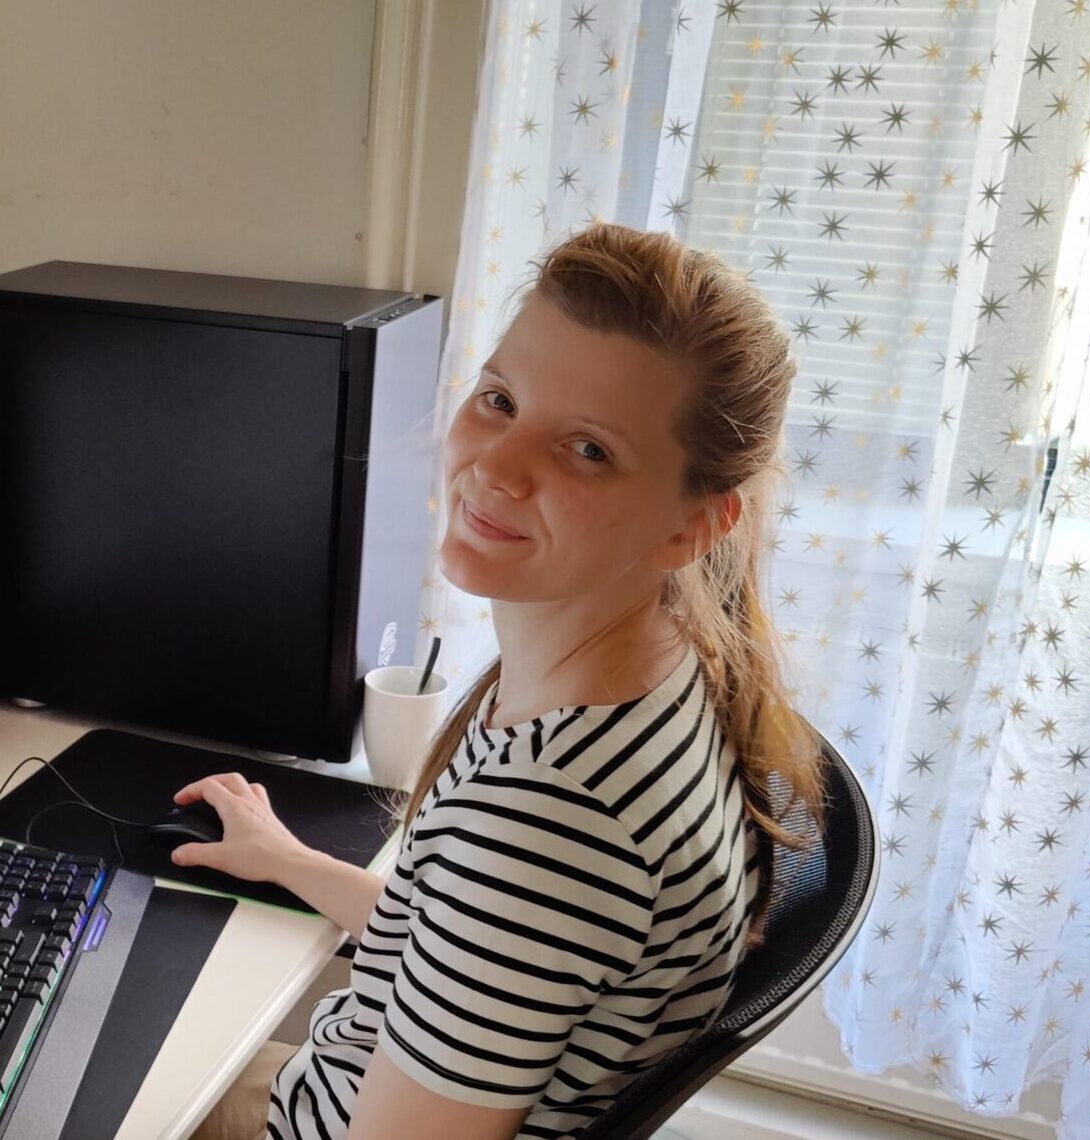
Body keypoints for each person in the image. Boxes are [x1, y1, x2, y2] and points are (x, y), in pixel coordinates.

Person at [176, 222, 825, 1140]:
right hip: (341, 1084)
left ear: (692, 527)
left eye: (588, 449)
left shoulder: (554, 816)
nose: (496, 466)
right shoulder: (660, 666)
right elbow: (471, 946)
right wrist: (289, 861)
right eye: (500, 399)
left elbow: (514, 887)